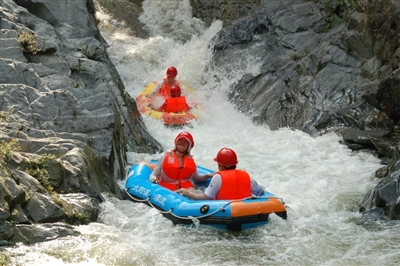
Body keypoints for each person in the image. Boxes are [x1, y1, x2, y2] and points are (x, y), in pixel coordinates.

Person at [177, 148, 265, 200]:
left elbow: (206, 197)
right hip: (246, 210)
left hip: (223, 209)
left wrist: (189, 194)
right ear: (235, 164)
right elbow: (260, 191)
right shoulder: (247, 176)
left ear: (221, 166)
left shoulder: (218, 177)